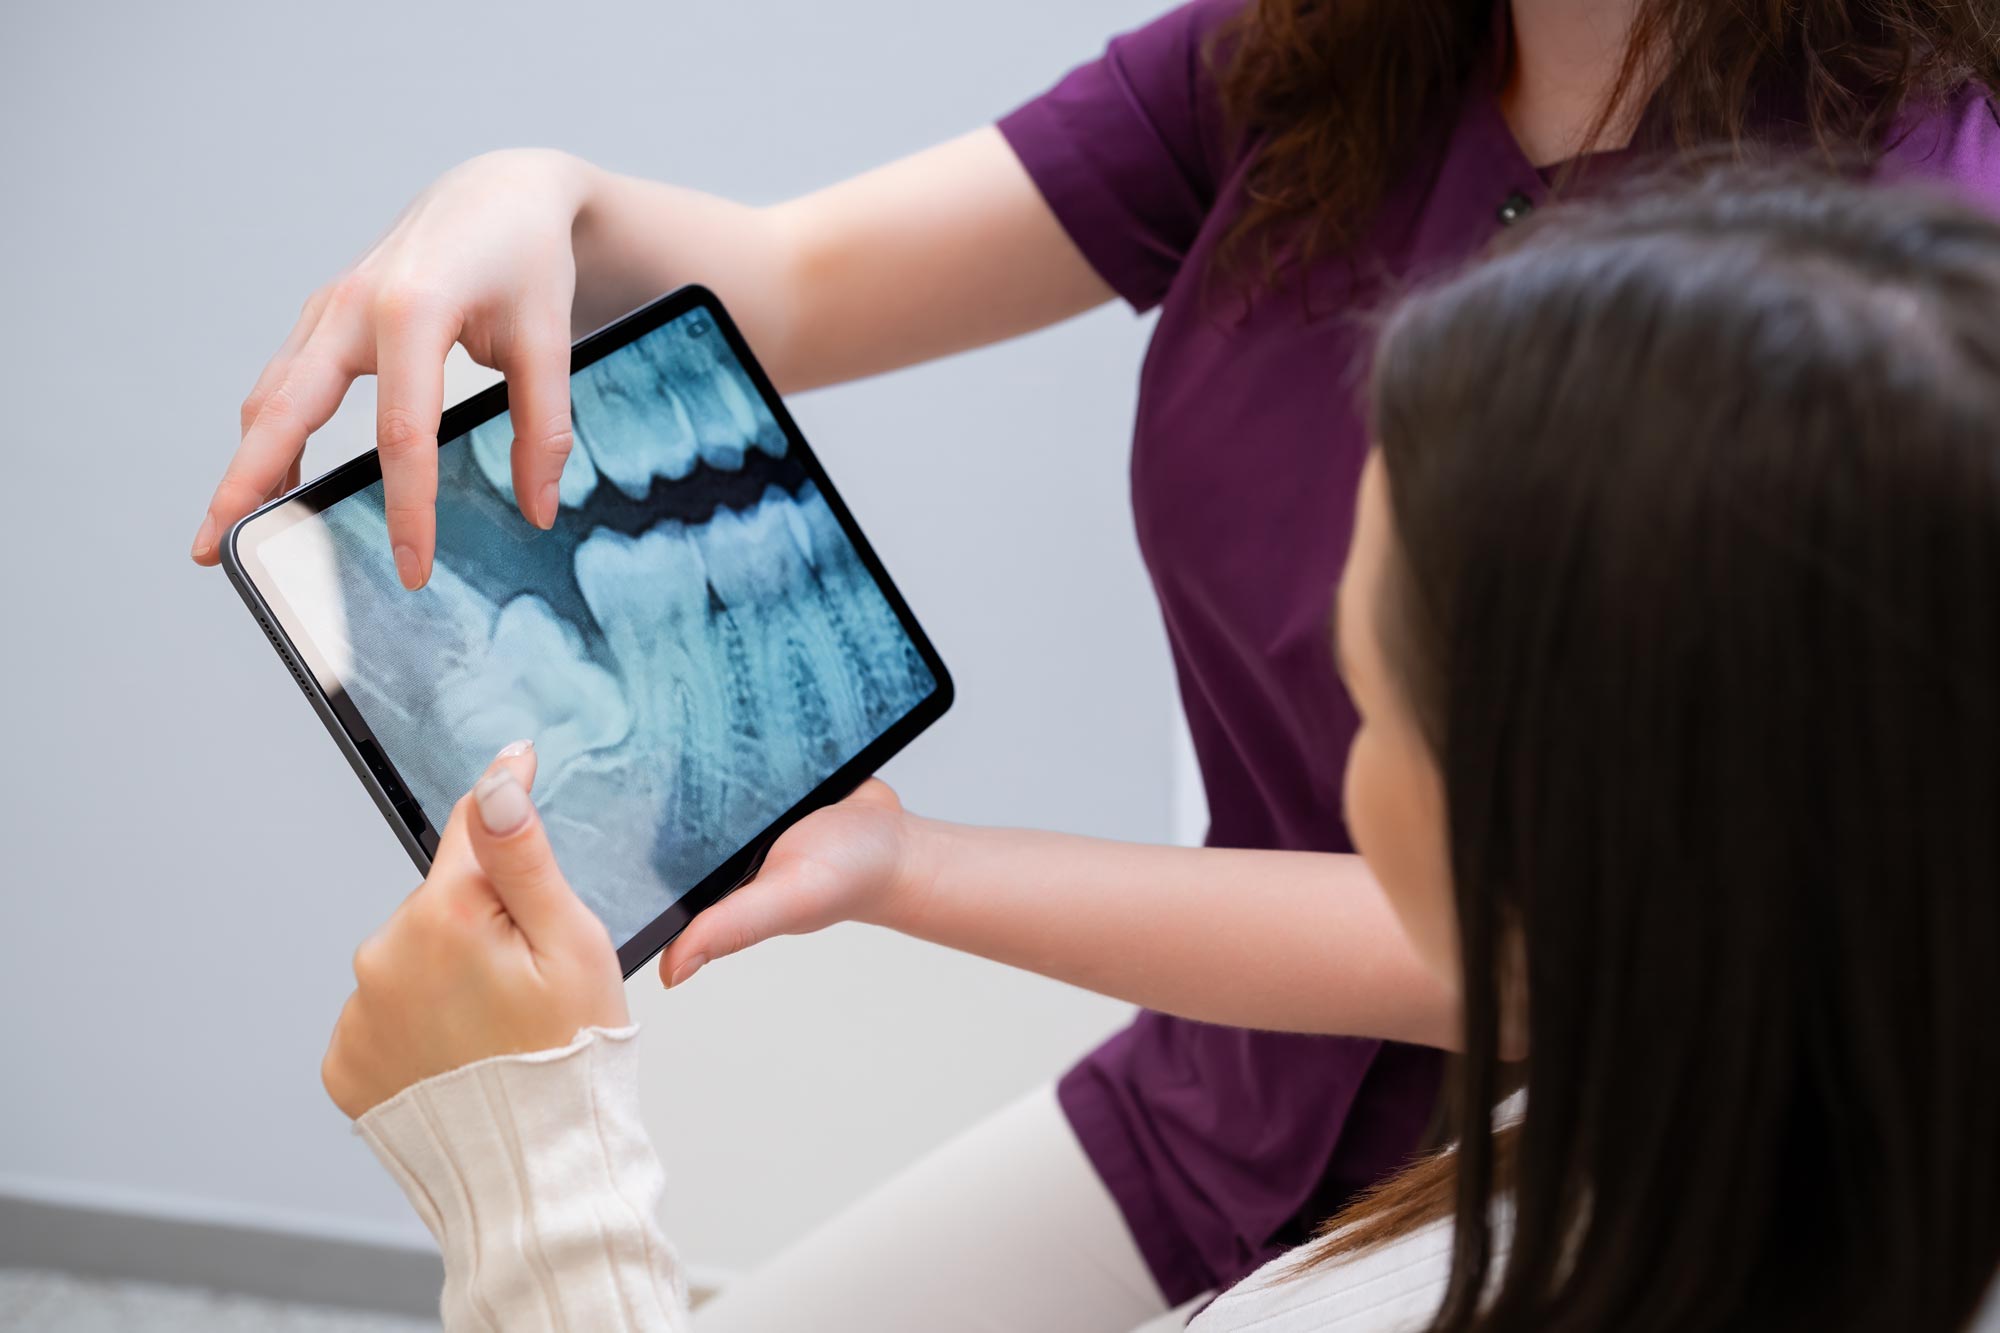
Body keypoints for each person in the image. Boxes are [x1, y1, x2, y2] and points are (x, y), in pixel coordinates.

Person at [193, 1, 2000, 1326]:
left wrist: (528, 1146)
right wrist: (537, 191)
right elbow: (801, 276)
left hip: (1597, 1154)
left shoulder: (1883, 274)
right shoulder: (1322, 53)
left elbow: (1584, 948)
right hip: (1217, 1102)